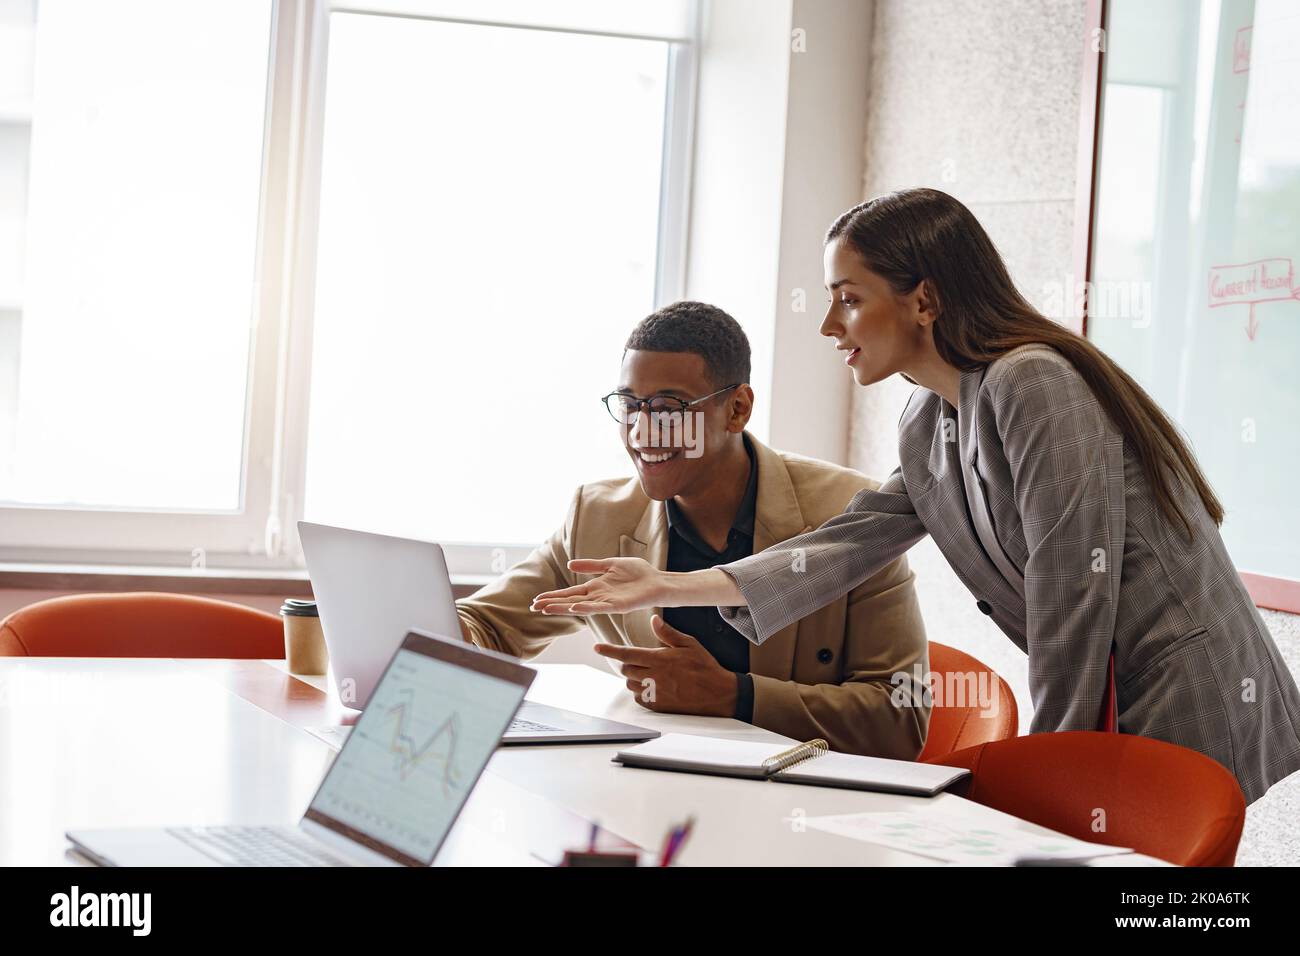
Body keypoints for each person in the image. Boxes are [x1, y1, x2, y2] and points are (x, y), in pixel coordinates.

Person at [531, 188, 1300, 804]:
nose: (830, 325)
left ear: (924, 301)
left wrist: (1053, 777)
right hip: (1105, 697)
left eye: (849, 298)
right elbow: (847, 543)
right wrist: (670, 583)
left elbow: (1075, 600)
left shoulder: (1034, 383)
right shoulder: (926, 416)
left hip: (1181, 691)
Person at [458, 301, 931, 758]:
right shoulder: (598, 516)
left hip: (797, 802)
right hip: (652, 790)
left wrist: (734, 695)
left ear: (737, 409)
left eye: (668, 407)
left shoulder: (850, 513)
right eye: (629, 404)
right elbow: (485, 627)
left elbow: (899, 720)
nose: (642, 431)